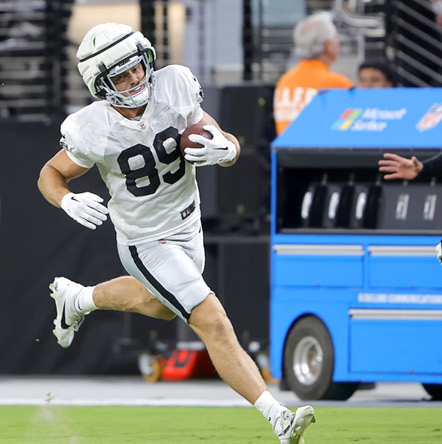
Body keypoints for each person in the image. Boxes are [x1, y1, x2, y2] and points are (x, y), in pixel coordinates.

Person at [38, 22, 315, 443]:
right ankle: (277, 415)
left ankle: (78, 299)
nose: (134, 79)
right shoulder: (91, 127)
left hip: (189, 222)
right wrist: (66, 199)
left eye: (136, 68)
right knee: (212, 320)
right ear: (101, 84)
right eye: (121, 75)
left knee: (163, 306)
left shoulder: (175, 86)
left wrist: (227, 149)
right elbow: (50, 174)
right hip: (144, 239)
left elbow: (224, 139)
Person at [273, 12, 354, 135]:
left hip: (286, 153)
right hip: (322, 153)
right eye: (336, 38)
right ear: (328, 45)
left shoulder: (284, 81)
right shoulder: (339, 84)